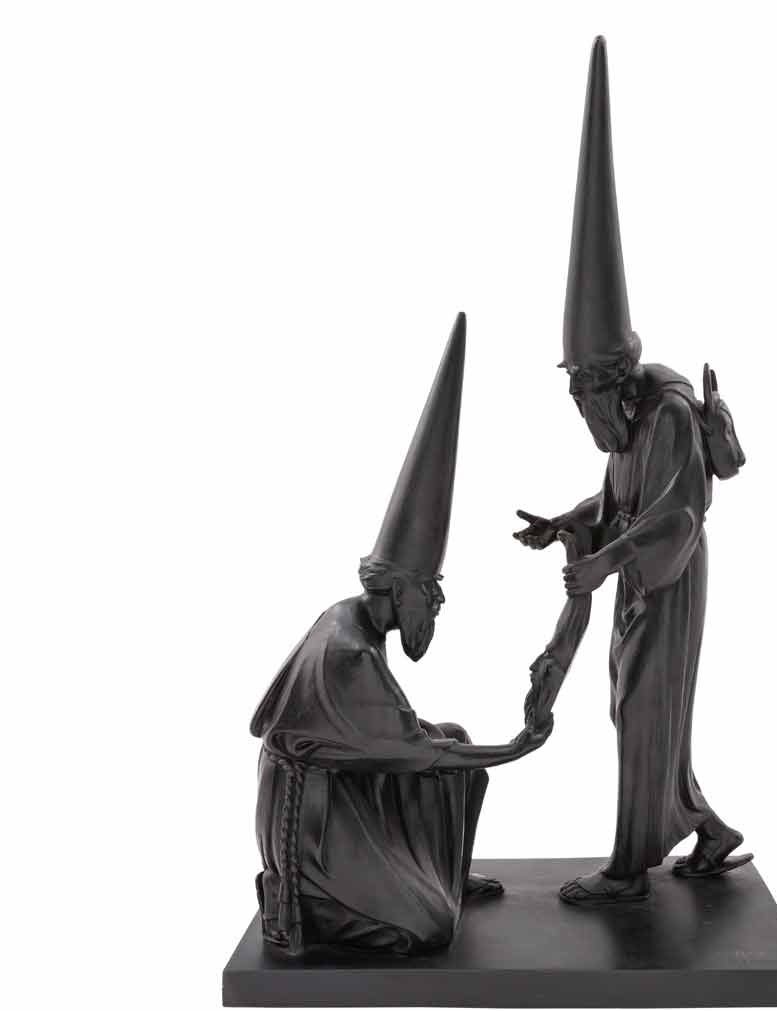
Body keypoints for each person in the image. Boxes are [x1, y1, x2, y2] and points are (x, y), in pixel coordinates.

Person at [514, 39, 751, 906]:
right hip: (641, 579)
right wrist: (568, 524)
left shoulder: (669, 415)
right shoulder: (626, 421)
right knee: (638, 711)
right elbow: (621, 500)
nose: (586, 418)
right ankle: (708, 829)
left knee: (645, 713)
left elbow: (674, 519)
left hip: (667, 581)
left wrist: (606, 560)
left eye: (587, 399)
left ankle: (627, 872)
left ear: (613, 382)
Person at [252, 314, 547, 954]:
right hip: (315, 826)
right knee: (432, 929)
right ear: (399, 587)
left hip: (346, 789)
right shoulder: (346, 652)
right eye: (430, 594)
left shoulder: (355, 620)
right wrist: (515, 748)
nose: (433, 609)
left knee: (456, 741)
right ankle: (327, 910)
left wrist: (478, 753)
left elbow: (411, 743)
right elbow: (416, 753)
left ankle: (444, 875)